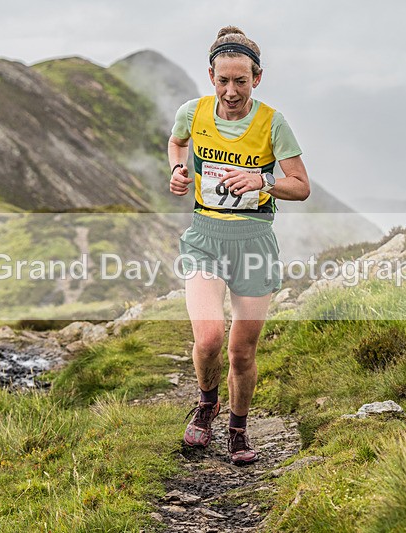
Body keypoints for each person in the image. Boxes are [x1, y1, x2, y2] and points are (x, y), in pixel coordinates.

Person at [168, 26, 310, 465]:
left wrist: (262, 180)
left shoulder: (273, 122)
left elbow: (301, 187)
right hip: (205, 238)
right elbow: (177, 143)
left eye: (241, 81)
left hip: (253, 242)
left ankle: (238, 430)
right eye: (223, 80)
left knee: (241, 350)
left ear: (257, 78)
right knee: (209, 339)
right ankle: (207, 403)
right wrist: (177, 171)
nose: (231, 91)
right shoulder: (192, 113)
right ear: (211, 76)